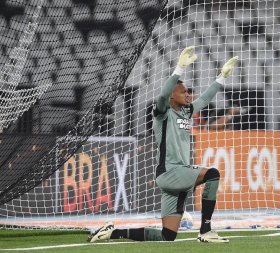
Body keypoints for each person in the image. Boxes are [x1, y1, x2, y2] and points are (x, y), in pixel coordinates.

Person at [87, 47, 238, 243]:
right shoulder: (162, 113)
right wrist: (178, 69)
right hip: (171, 172)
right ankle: (206, 231)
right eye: (183, 92)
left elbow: (205, 98)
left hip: (175, 178)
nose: (189, 95)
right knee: (212, 174)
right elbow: (161, 96)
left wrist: (222, 77)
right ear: (172, 96)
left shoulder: (186, 112)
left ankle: (112, 232)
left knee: (167, 236)